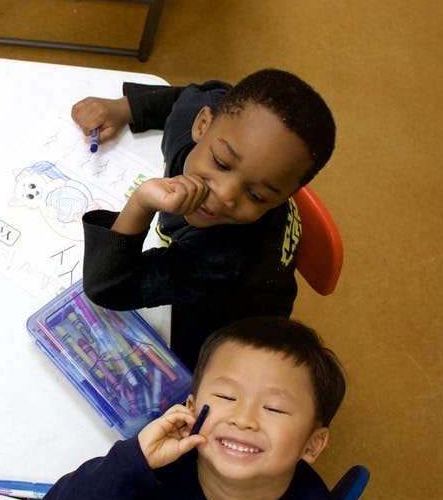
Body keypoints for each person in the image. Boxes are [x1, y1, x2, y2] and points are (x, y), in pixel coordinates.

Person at [37, 316, 349, 500]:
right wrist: (136, 459)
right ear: (191, 407)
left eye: (275, 408)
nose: (243, 419)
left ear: (312, 444)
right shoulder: (167, 474)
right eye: (227, 397)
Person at [71, 69, 336, 368]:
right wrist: (125, 108)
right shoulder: (194, 121)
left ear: (285, 196)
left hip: (229, 340)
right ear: (202, 124)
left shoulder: (224, 258)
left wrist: (141, 204)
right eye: (221, 163)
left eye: (258, 195)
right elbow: (202, 92)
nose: (224, 194)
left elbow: (108, 287)